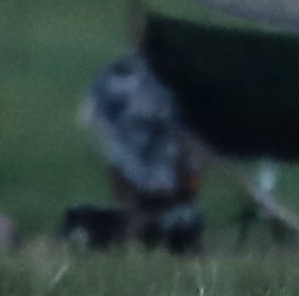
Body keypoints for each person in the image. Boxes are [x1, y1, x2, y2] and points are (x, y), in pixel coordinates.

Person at [68, 47, 206, 251]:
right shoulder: (125, 83)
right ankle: (144, 227)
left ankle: (152, 226)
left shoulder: (166, 89)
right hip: (145, 174)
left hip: (158, 174)